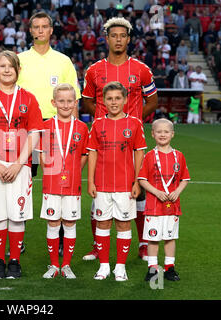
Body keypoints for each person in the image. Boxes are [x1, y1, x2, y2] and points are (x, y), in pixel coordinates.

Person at [82, 17, 158, 262]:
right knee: (99, 187)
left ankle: (144, 244)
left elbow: (153, 101)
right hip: (103, 141)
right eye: (113, 35)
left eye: (122, 36)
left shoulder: (141, 70)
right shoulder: (94, 70)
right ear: (107, 38)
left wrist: (132, 121)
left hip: (131, 141)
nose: (118, 39)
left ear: (128, 39)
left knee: (140, 188)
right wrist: (105, 121)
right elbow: (87, 100)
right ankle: (97, 245)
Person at [0, 50, 44, 279]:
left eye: (10, 66)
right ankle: (0, 260)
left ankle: (14, 259)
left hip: (20, 164)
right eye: (2, 66)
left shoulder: (29, 98)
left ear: (18, 70)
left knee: (16, 213)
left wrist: (17, 164)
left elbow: (34, 133)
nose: (6, 70)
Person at [17, 11, 81, 255]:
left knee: (60, 181)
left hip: (57, 127)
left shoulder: (63, 61)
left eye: (45, 26)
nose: (41, 31)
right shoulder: (20, 59)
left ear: (51, 30)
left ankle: (63, 238)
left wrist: (72, 132)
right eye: (36, 27)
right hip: (27, 127)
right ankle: (17, 236)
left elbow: (73, 98)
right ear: (31, 31)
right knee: (21, 182)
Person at [87, 81, 146, 281]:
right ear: (103, 101)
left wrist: (137, 182)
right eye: (109, 99)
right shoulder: (97, 124)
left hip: (126, 185)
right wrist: (90, 182)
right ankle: (104, 266)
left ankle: (120, 267)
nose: (113, 102)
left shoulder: (135, 123)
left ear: (125, 100)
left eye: (117, 98)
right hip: (102, 184)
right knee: (102, 224)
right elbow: (92, 153)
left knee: (123, 225)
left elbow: (139, 153)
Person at [38, 84, 89, 279]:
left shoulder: (82, 128)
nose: (66, 105)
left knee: (69, 222)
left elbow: (84, 155)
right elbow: (42, 155)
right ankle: (53, 265)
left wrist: (73, 171)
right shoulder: (46, 127)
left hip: (72, 183)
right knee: (53, 222)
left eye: (70, 101)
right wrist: (51, 172)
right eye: (61, 101)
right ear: (54, 102)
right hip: (51, 183)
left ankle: (66, 265)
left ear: (76, 102)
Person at [138, 118, 190, 281]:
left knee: (169, 237)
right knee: (153, 238)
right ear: (153, 134)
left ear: (172, 134)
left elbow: (185, 178)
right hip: (154, 205)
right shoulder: (149, 156)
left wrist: (177, 191)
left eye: (166, 131)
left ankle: (169, 268)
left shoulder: (179, 156)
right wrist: (156, 192)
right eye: (159, 131)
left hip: (172, 205)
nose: (162, 134)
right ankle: (153, 269)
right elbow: (142, 179)